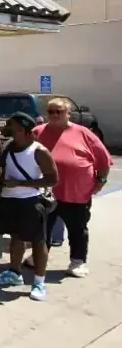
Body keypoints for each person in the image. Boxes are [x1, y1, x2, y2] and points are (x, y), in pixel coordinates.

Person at [28, 97, 111, 278]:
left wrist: (101, 181)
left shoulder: (84, 133)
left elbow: (104, 160)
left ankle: (78, 261)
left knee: (77, 228)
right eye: (51, 111)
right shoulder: (37, 132)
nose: (55, 115)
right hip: (45, 192)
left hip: (76, 192)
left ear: (68, 113)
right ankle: (38, 257)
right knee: (41, 227)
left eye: (59, 111)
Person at [0, 112, 58, 301]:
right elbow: (2, 175)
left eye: (18, 130)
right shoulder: (9, 147)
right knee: (15, 238)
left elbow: (53, 179)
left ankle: (39, 282)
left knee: (38, 241)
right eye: (12, 129)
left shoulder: (39, 151)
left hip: (31, 202)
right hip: (9, 201)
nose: (13, 133)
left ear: (29, 132)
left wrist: (20, 184)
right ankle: (14, 273)